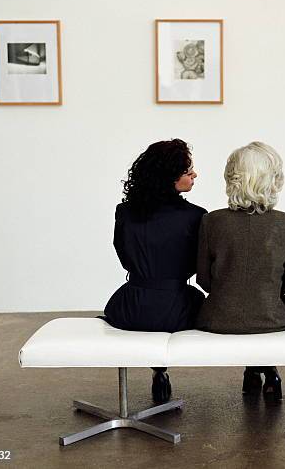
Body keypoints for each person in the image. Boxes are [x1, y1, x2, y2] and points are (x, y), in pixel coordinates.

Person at [195, 141, 285, 401]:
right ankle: (267, 371)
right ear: (274, 180)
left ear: (232, 178)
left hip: (219, 318)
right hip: (271, 318)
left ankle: (254, 371)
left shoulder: (211, 221)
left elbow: (204, 280)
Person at [103, 139, 206, 404]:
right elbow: (200, 265)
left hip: (131, 307)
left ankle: (159, 372)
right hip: (178, 307)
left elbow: (124, 256)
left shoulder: (124, 212)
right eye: (188, 170)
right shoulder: (196, 216)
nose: (194, 174)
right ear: (169, 177)